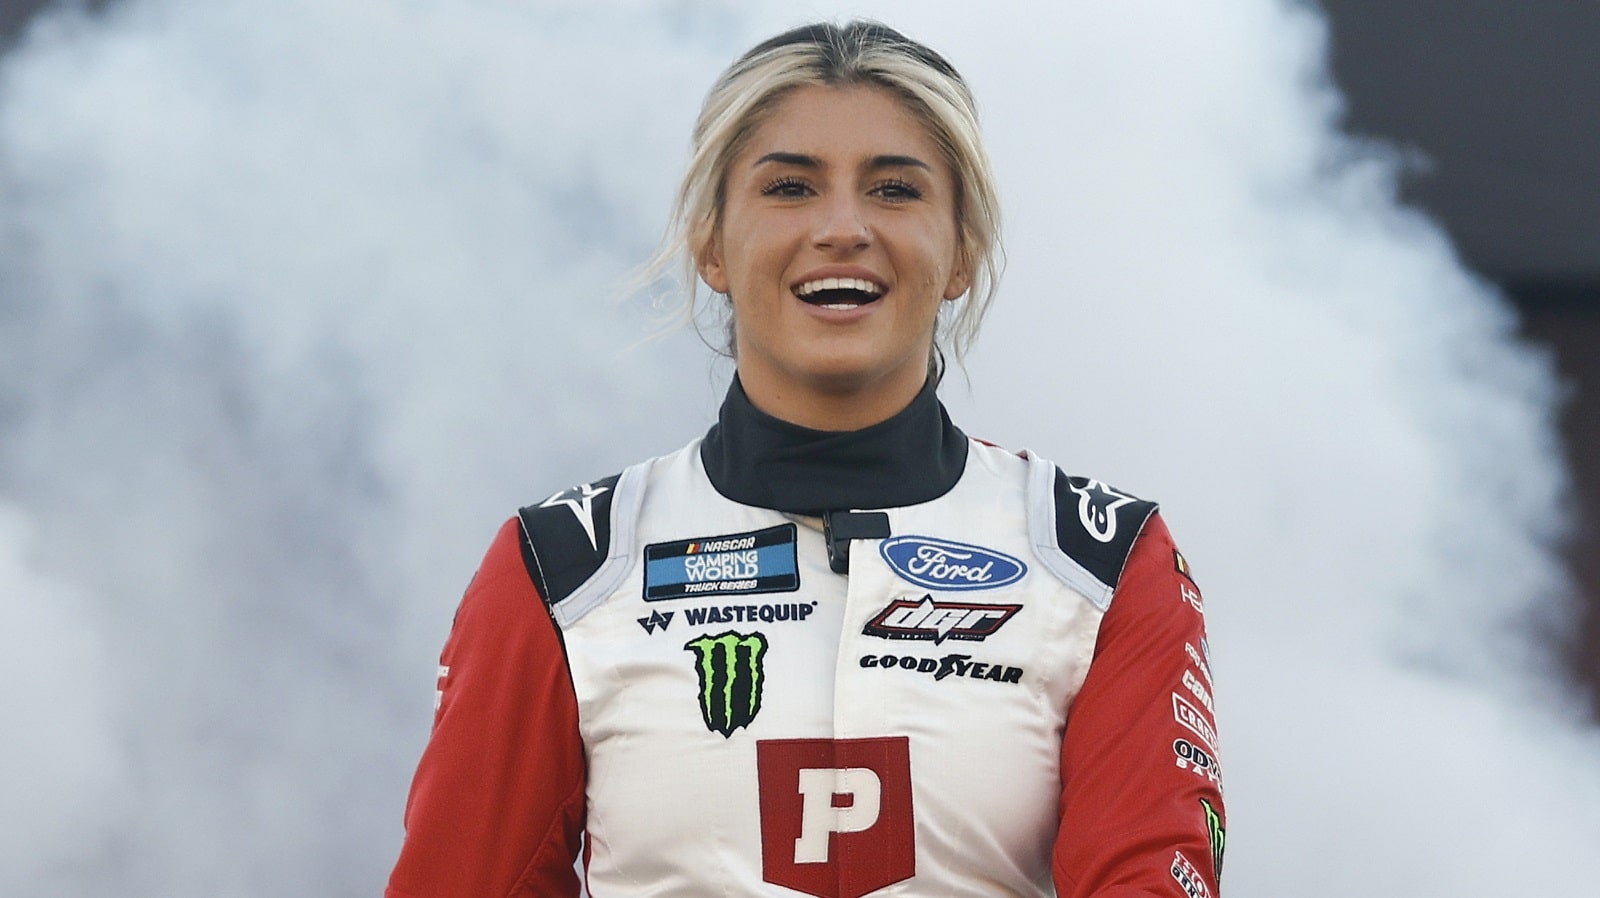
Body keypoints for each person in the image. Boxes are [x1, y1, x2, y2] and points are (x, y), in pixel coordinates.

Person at [386, 20, 1225, 898]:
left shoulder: (1100, 559)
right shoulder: (563, 566)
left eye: (895, 191)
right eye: (789, 187)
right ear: (711, 245)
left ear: (963, 252)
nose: (842, 228)